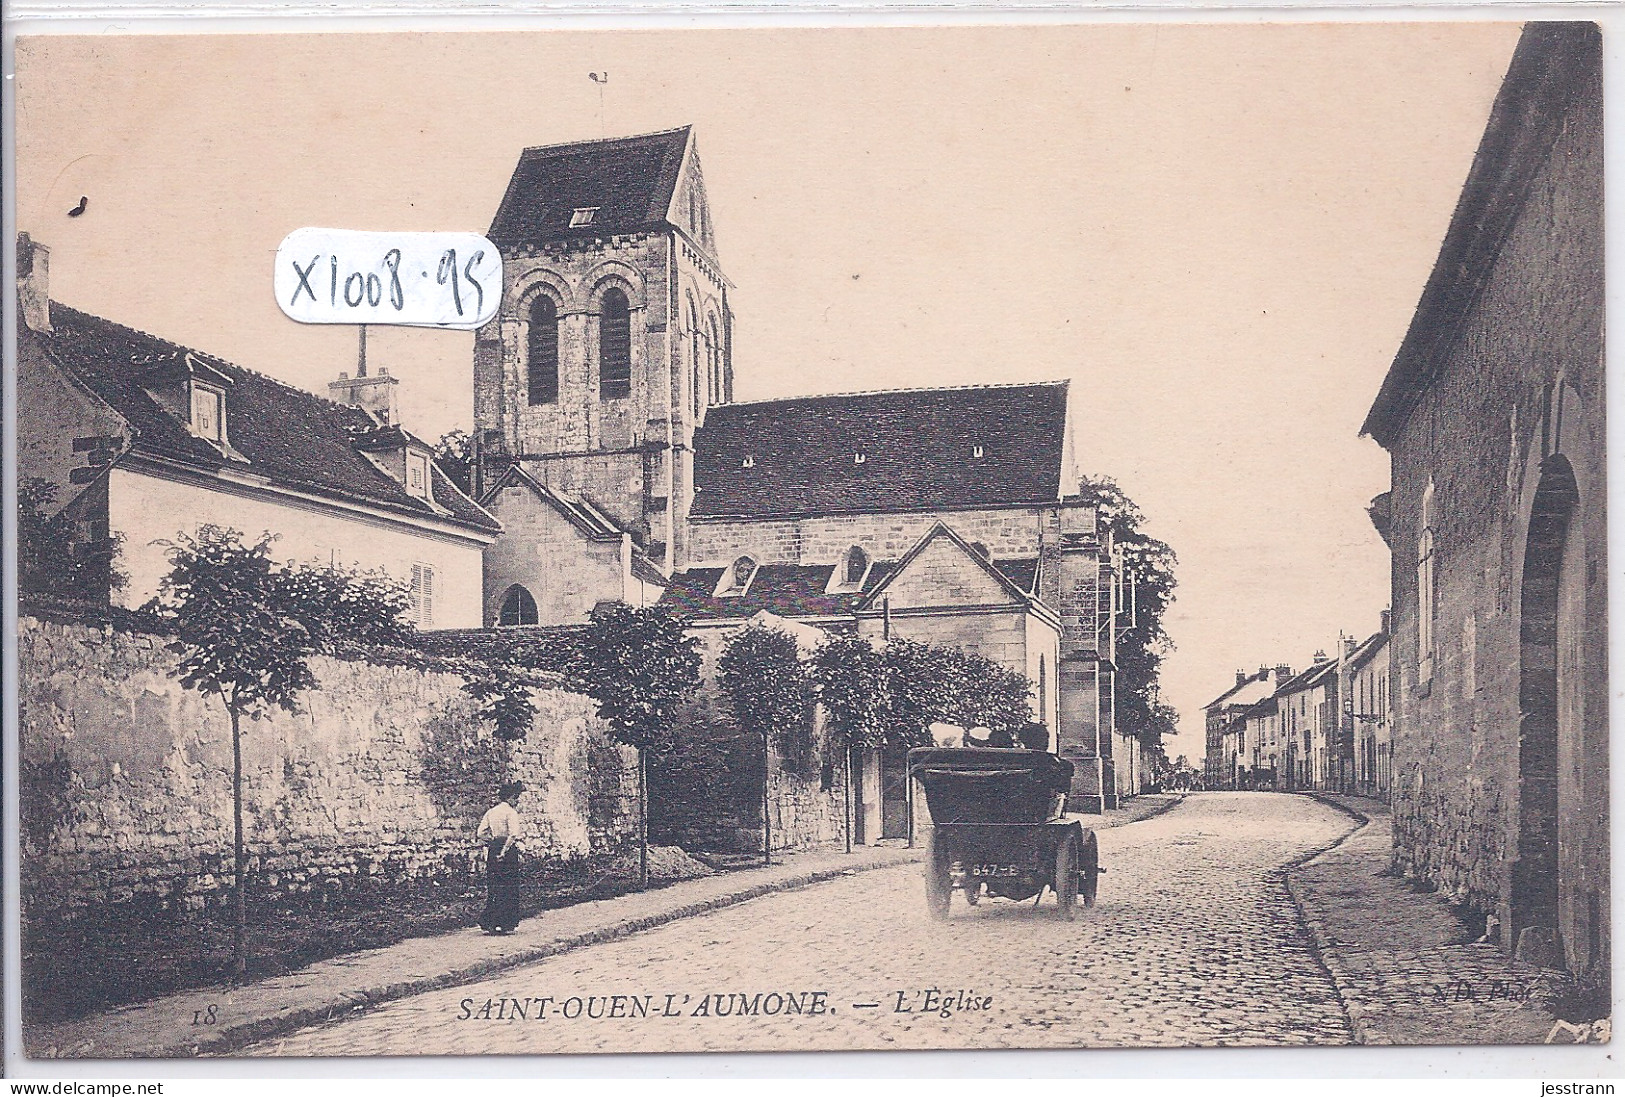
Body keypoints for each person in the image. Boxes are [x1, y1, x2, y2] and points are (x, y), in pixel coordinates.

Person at [476, 781, 525, 934]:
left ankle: (491, 921)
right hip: (507, 851)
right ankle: (506, 923)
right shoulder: (510, 812)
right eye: (516, 798)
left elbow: (481, 833)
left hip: (494, 848)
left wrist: (494, 842)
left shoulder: (491, 812)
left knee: (495, 885)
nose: (517, 801)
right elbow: (513, 835)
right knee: (509, 885)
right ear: (510, 798)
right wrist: (504, 851)